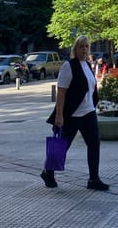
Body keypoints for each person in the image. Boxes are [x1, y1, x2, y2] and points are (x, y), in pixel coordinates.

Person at [41, 35, 109, 191]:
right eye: (81, 47)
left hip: (88, 112)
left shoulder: (88, 65)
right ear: (75, 49)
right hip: (71, 115)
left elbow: (91, 89)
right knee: (62, 146)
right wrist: (59, 116)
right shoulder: (68, 66)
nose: (84, 49)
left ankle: (93, 179)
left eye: (86, 46)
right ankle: (48, 172)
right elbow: (61, 92)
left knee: (94, 145)